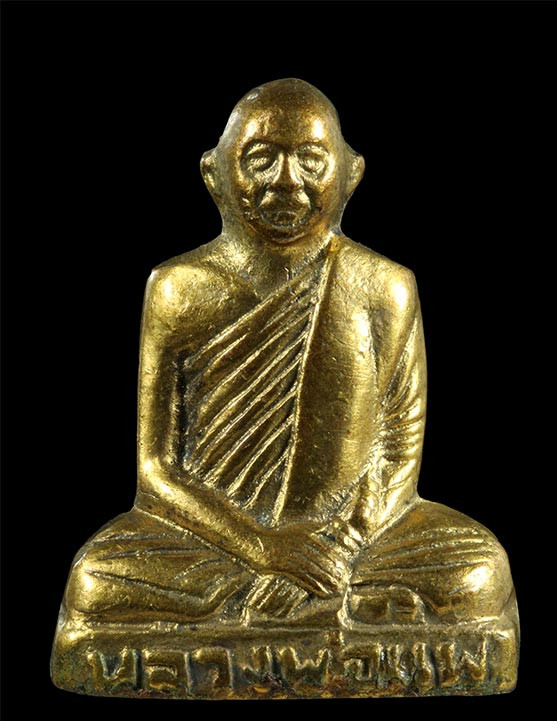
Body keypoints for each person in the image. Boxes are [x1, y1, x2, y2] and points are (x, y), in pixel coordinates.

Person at [61, 78, 515, 628]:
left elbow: (397, 448)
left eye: (310, 160)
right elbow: (157, 471)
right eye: (260, 159)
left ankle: (303, 602)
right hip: (219, 540)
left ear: (350, 174)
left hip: (353, 538)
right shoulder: (178, 288)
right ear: (214, 174)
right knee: (95, 580)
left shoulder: (383, 286)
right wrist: (263, 548)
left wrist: (335, 551)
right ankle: (342, 609)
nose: (286, 181)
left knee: (478, 571)